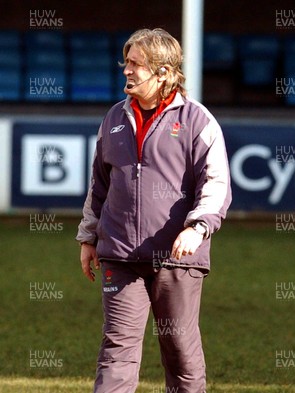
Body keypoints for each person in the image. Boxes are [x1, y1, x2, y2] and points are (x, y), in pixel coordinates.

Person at [76, 28, 231, 393]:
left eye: (136, 65)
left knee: (179, 351)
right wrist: (88, 237)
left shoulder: (198, 121)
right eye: (126, 63)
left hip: (177, 258)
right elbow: (99, 184)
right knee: (116, 352)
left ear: (163, 72)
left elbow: (217, 183)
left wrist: (197, 228)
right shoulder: (113, 118)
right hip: (119, 254)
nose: (127, 71)